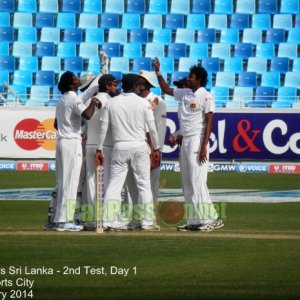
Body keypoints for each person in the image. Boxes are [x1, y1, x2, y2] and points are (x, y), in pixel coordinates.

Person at [154, 58, 224, 232]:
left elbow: (209, 123)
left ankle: (211, 218)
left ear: (198, 79)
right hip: (185, 141)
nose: (188, 78)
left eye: (191, 76)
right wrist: (158, 72)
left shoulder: (205, 96)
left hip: (197, 141)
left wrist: (203, 147)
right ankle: (194, 220)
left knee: (197, 180)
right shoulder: (184, 93)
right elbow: (165, 89)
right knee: (187, 182)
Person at [95, 74, 161, 231]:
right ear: (135, 86)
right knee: (144, 184)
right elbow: (151, 129)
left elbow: (104, 128)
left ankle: (108, 221)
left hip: (120, 146)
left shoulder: (111, 103)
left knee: (114, 184)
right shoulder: (143, 103)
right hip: (139, 147)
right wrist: (156, 148)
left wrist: (99, 149)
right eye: (139, 85)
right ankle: (146, 222)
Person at [53, 71, 101, 232]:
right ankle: (64, 220)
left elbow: (55, 124)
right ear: (70, 83)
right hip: (71, 143)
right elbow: (87, 114)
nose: (77, 78)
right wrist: (94, 102)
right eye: (74, 77)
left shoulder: (63, 98)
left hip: (61, 142)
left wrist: (101, 73)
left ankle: (58, 218)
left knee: (62, 181)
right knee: (71, 182)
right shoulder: (73, 98)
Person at [80, 74, 119, 229]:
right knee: (107, 181)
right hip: (104, 148)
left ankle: (92, 219)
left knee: (90, 182)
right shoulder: (111, 102)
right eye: (114, 84)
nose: (117, 87)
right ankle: (105, 218)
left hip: (90, 145)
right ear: (107, 86)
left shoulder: (91, 100)